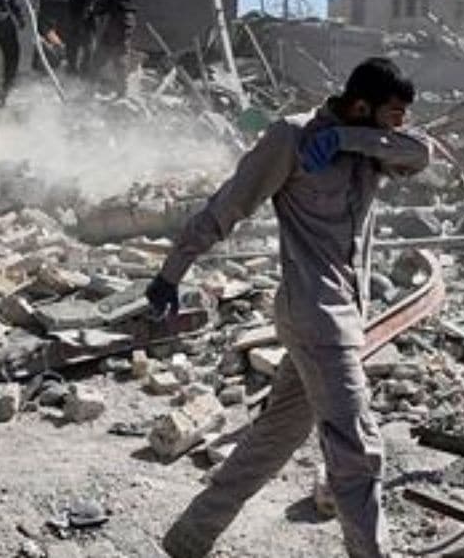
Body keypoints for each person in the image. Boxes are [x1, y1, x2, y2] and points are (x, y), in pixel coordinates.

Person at [152, 58, 431, 558]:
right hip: (314, 313)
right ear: (362, 105)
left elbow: (423, 153)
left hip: (344, 315)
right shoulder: (292, 138)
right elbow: (227, 206)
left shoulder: (372, 145)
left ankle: (190, 536)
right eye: (391, 116)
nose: (399, 128)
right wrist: (172, 272)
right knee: (357, 453)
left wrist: (353, 139)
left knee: (277, 436)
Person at [88, 0, 136, 92]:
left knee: (118, 53)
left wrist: (93, 12)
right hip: (117, 18)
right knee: (102, 52)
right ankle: (90, 87)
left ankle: (122, 91)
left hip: (120, 18)